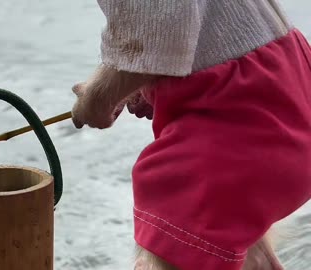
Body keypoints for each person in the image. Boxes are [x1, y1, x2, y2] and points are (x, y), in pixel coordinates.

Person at [71, 1, 311, 269]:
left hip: (242, 126)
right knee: (231, 235)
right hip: (288, 96)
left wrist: (97, 100)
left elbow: (153, 35)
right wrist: (152, 87)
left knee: (171, 231)